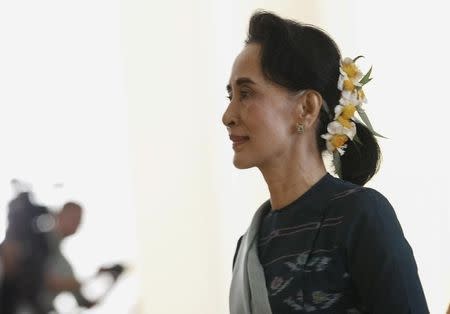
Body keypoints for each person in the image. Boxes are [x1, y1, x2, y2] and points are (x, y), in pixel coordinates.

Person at [223, 11, 429, 314]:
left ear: (306, 108)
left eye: (246, 93)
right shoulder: (250, 246)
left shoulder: (360, 216)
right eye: (230, 95)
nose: (227, 115)